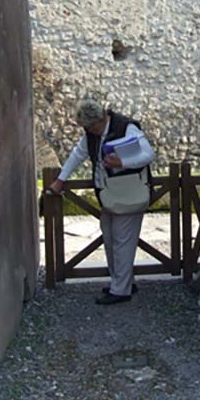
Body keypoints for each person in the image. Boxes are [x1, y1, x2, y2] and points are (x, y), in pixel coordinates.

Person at [49, 98, 154, 304]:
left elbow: (148, 154)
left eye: (89, 127)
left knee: (122, 242)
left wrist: (122, 162)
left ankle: (121, 290)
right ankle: (122, 282)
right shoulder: (92, 134)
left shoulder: (127, 127)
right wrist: (61, 180)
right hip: (109, 193)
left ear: (99, 121)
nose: (88, 131)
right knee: (111, 239)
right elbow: (78, 155)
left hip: (128, 192)